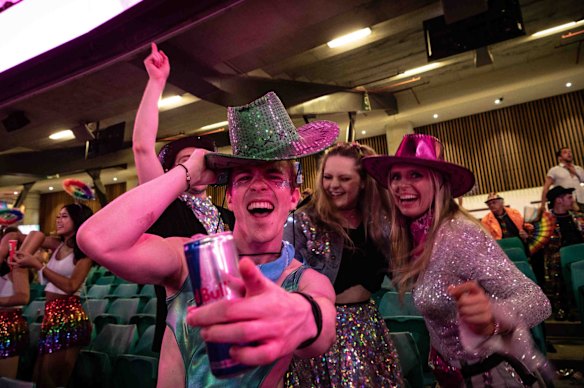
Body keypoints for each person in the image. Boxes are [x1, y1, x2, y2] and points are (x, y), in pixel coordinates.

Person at [77, 91, 339, 387]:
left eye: (273, 176)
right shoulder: (190, 259)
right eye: (243, 178)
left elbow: (323, 326)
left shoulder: (306, 280)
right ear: (230, 196)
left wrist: (303, 316)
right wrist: (186, 171)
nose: (258, 186)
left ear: (293, 197)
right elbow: (96, 239)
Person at [362, 134, 553, 387]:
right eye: (395, 176)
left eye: (415, 175)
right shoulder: (413, 235)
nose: (401, 185)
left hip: (491, 378)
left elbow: (537, 300)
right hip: (451, 377)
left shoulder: (459, 234)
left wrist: (494, 320)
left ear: (439, 182)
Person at [132, 42, 235, 352]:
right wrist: (156, 82)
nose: (195, 164)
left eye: (201, 159)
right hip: (182, 331)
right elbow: (141, 147)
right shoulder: (165, 205)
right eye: (185, 161)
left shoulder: (226, 216)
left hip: (229, 328)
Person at [283, 142, 402, 386]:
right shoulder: (302, 222)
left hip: (368, 326)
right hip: (323, 329)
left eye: (344, 178)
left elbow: (403, 270)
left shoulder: (380, 221)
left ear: (363, 182)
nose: (333, 186)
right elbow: (284, 282)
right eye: (327, 177)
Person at [13, 204, 94, 388]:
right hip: (52, 315)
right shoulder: (57, 245)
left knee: (52, 378)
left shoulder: (84, 253)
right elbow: (32, 237)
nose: (58, 220)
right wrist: (11, 236)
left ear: (78, 220)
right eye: (58, 216)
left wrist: (39, 265)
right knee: (39, 375)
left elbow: (71, 286)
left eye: (64, 216)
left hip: (68, 317)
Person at [0, 230, 43, 378]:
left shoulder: (17, 267)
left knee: (5, 380)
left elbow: (23, 297)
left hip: (8, 324)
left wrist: (13, 236)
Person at [541, 186, 584, 320]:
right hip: (559, 260)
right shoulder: (546, 221)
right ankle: (563, 307)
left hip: (580, 255)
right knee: (557, 265)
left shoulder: (578, 217)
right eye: (569, 197)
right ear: (559, 200)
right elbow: (542, 245)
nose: (573, 200)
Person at [541, 147, 584, 211]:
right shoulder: (554, 170)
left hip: (582, 200)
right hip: (565, 203)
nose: (569, 153)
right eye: (565, 152)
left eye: (570, 152)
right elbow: (546, 188)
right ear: (559, 157)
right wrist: (543, 205)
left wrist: (575, 172)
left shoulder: (579, 168)